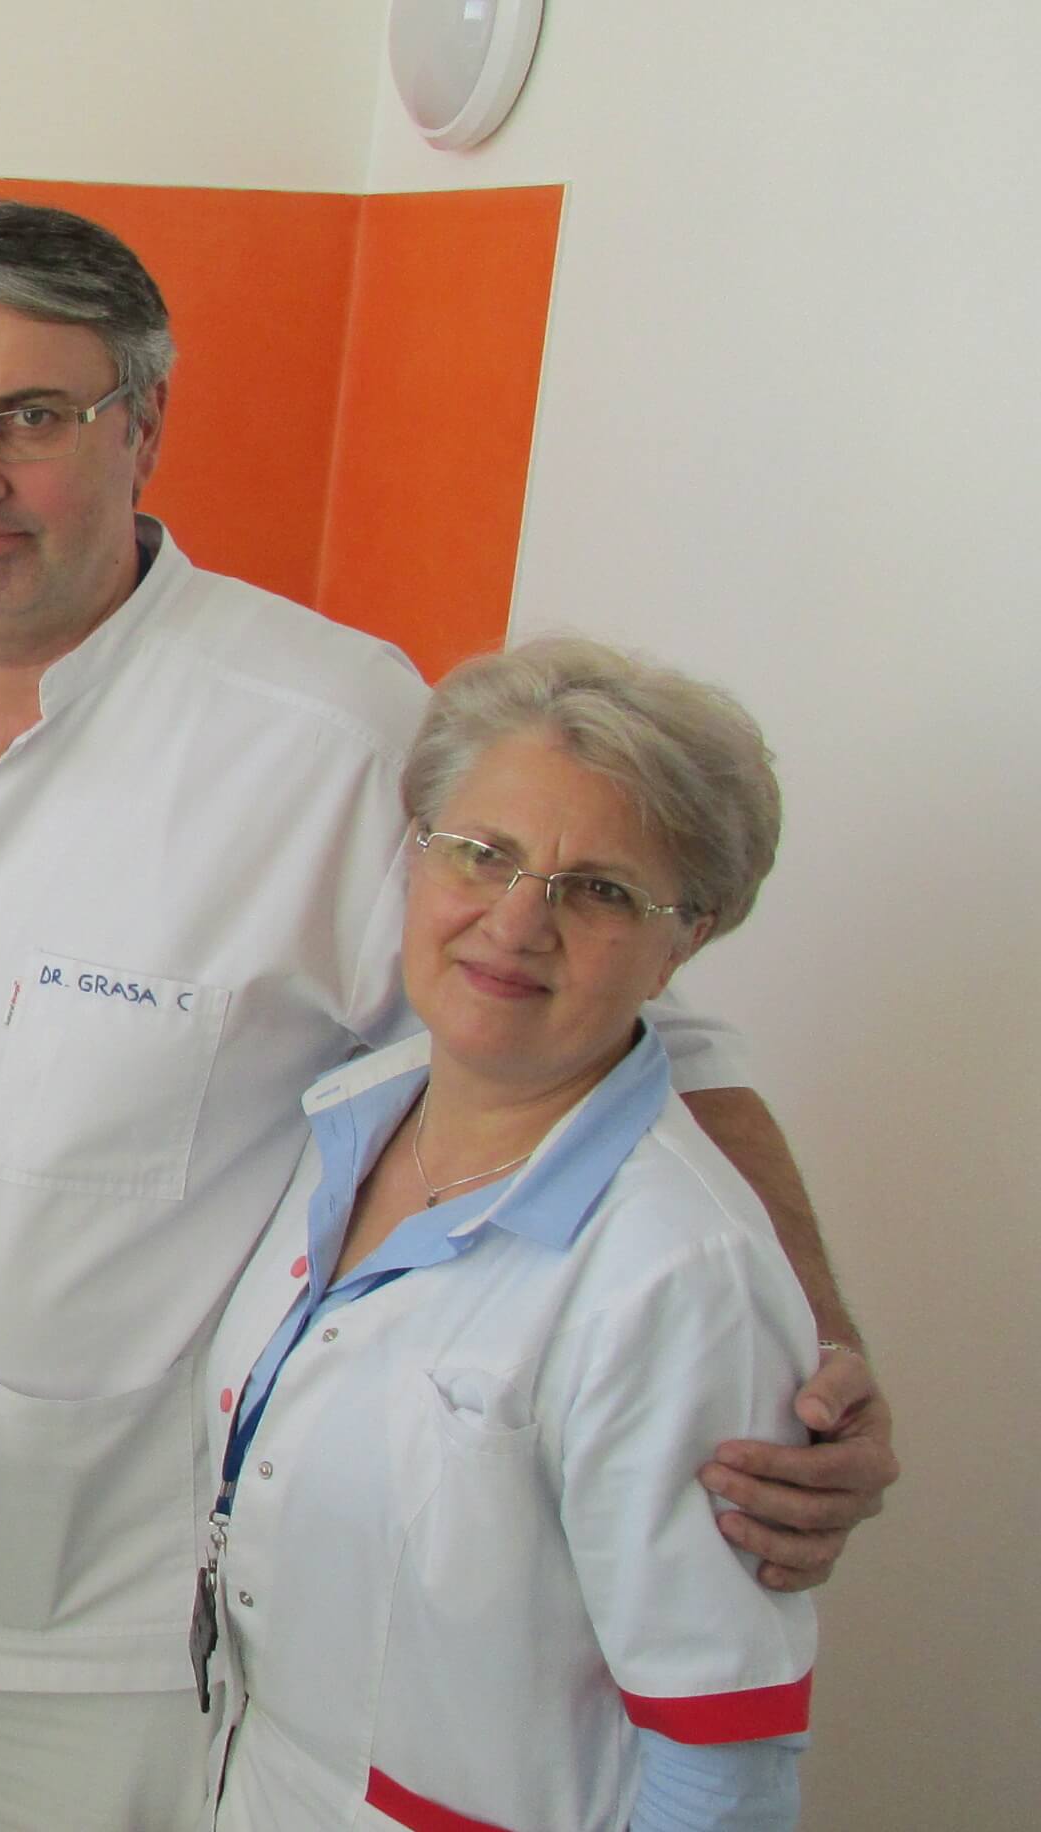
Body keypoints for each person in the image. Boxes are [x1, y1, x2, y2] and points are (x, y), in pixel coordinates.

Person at [0, 201, 894, 1828]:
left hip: (93, 1634)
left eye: (28, 417)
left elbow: (632, 1035)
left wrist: (816, 1348)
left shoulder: (329, 732)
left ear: (141, 423)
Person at [201, 638, 814, 1830]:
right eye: (483, 853)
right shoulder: (345, 1128)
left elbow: (722, 1762)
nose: (517, 920)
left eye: (601, 890)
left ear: (685, 939)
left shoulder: (679, 1276)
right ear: (417, 855)